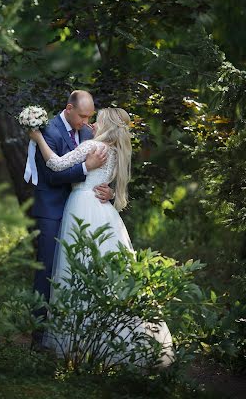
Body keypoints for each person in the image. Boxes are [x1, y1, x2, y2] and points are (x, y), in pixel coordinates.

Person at [29, 106, 175, 368]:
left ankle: (75, 341)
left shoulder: (92, 147)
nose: (92, 123)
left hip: (82, 208)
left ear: (105, 124)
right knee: (108, 270)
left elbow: (56, 164)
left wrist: (38, 138)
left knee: (77, 267)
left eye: (97, 120)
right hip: (105, 213)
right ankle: (116, 337)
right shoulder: (118, 152)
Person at [30, 90, 115, 347]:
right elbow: (53, 175)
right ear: (69, 108)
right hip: (53, 211)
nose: (86, 122)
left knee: (77, 270)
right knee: (47, 271)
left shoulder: (89, 134)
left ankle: (73, 335)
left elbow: (102, 174)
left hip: (81, 211)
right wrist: (85, 168)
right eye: (82, 116)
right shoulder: (49, 131)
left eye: (90, 116)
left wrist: (109, 192)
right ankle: (39, 337)